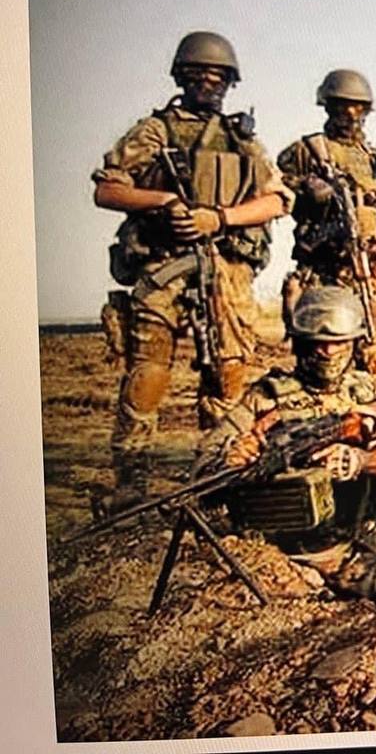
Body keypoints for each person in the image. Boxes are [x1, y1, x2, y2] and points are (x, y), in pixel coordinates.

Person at [194, 286, 376, 635]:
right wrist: (234, 457)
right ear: (299, 343)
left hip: (373, 533)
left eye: (338, 342)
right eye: (317, 343)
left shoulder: (373, 392)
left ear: (354, 343)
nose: (328, 352)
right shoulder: (264, 400)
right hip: (309, 556)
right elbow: (202, 476)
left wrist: (362, 461)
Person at [91, 30, 290, 513]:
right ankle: (131, 484)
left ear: (230, 83)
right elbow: (107, 190)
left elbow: (277, 200)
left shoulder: (243, 141)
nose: (208, 83)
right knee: (147, 376)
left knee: (228, 378)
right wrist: (162, 201)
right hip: (164, 266)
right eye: (198, 74)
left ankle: (215, 478)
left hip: (226, 273)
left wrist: (218, 218)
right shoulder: (154, 131)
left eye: (217, 76)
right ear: (181, 77)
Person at [276, 69, 376, 378]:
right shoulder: (306, 151)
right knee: (321, 349)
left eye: (358, 107)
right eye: (342, 106)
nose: (351, 114)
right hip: (324, 268)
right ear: (327, 106)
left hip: (373, 269)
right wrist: (307, 189)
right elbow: (276, 189)